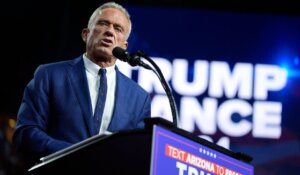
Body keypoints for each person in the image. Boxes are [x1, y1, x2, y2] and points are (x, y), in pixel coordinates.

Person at [12, 1, 151, 168]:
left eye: (118, 28)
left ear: (124, 46)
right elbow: (25, 133)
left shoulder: (139, 97)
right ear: (86, 34)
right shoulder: (49, 75)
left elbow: (136, 154)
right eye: (103, 23)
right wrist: (74, 153)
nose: (109, 31)